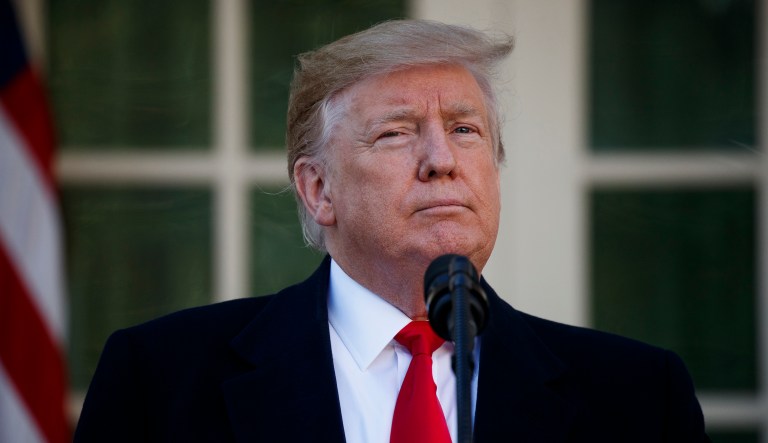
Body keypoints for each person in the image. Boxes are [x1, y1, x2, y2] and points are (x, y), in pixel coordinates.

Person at [74, 20, 709, 442]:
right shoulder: (158, 382)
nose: (442, 160)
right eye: (396, 133)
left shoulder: (640, 398)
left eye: (465, 130)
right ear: (319, 190)